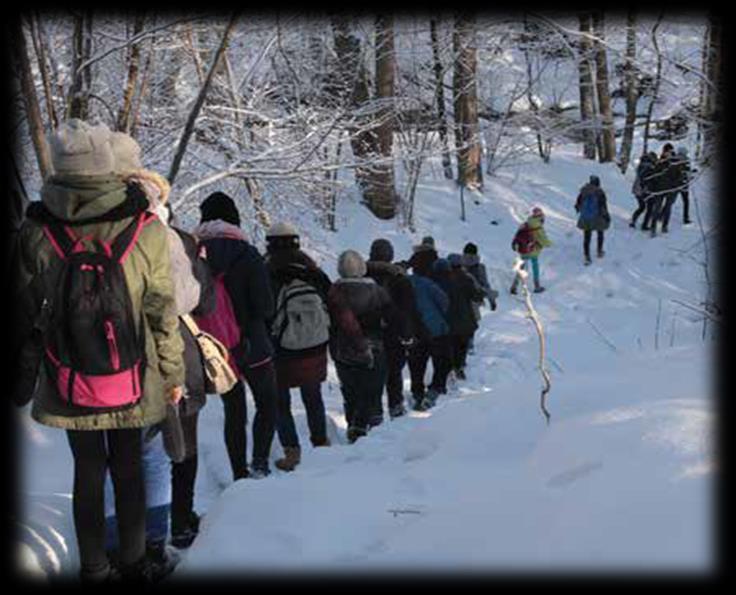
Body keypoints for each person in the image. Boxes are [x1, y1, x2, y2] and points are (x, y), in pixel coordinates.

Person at [13, 119, 185, 582]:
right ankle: (132, 565)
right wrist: (172, 376)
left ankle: (93, 568)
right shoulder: (143, 227)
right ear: (106, 163)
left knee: (87, 469)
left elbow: (24, 307)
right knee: (128, 467)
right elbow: (161, 312)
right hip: (133, 374)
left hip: (67, 372)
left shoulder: (35, 231)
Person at [194, 192, 278, 479]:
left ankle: (239, 472)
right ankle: (260, 462)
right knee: (267, 401)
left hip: (214, 347)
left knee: (234, 411)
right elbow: (266, 305)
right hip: (252, 343)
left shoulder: (192, 254)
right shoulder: (247, 253)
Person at [264, 222, 332, 472]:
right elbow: (330, 299)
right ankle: (321, 444)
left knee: (281, 402)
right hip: (314, 346)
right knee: (313, 397)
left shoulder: (266, 270)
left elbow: (263, 310)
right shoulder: (311, 269)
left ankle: (292, 453)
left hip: (281, 349)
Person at [327, 250, 396, 443]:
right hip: (373, 346)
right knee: (372, 389)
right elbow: (391, 316)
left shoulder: (334, 291)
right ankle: (371, 424)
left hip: (343, 348)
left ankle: (353, 424)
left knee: (350, 390)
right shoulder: (376, 291)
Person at [365, 238, 417, 420]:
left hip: (367, 334)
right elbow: (407, 310)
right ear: (390, 255)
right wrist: (407, 335)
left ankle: (374, 412)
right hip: (394, 334)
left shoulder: (361, 276)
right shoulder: (399, 279)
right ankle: (395, 407)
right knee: (394, 374)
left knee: (372, 376)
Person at [406, 249, 451, 411]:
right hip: (436, 330)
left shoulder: (405, 282)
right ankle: (433, 391)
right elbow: (444, 303)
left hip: (413, 331)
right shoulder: (429, 285)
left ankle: (417, 394)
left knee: (417, 364)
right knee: (441, 362)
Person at [444, 254, 487, 380]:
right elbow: (476, 296)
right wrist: (482, 293)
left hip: (448, 317)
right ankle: (459, 367)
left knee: (450, 343)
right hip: (465, 317)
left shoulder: (443, 279)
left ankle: (450, 367)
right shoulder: (466, 278)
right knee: (462, 344)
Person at [462, 242, 498, 352]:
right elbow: (485, 284)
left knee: (460, 320)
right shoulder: (480, 267)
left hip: (459, 297)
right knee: (472, 321)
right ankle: (470, 344)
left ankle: (460, 343)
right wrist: (492, 300)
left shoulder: (458, 263)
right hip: (475, 298)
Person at [510, 206, 552, 294]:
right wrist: (549, 244)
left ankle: (514, 286)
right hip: (533, 250)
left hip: (523, 249)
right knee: (535, 267)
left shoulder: (526, 224)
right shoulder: (538, 227)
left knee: (521, 267)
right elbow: (543, 239)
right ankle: (537, 286)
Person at [575, 175, 611, 265]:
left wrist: (581, 211)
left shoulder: (584, 191)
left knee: (587, 237)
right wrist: (607, 217)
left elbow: (577, 205)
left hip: (586, 218)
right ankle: (599, 251)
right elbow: (603, 207)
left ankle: (587, 257)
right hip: (598, 217)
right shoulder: (600, 192)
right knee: (600, 233)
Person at [631, 153, 656, 229]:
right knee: (650, 207)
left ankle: (633, 220)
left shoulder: (641, 166)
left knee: (642, 207)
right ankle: (645, 225)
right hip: (644, 190)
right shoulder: (649, 167)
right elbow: (648, 180)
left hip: (637, 189)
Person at [671, 146, 696, 226]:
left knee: (671, 201)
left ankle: (661, 215)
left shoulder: (674, 158)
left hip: (675, 183)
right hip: (684, 184)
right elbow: (688, 172)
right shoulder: (686, 160)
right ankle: (685, 218)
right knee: (686, 201)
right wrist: (691, 176)